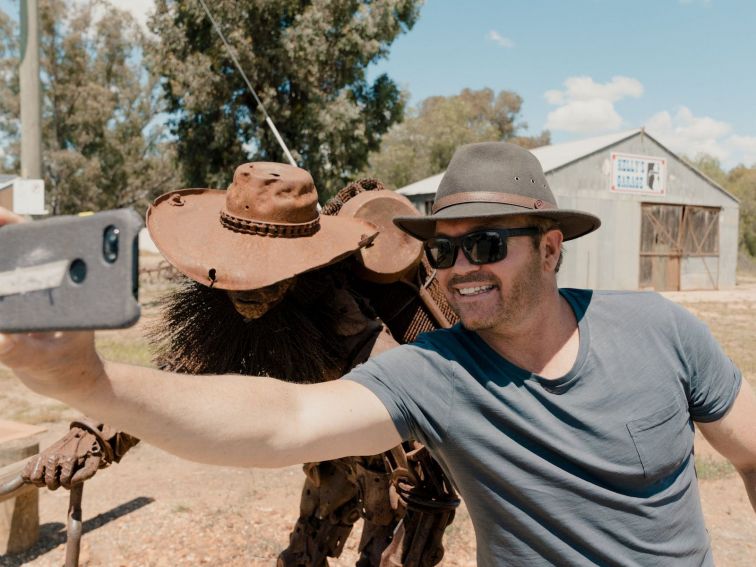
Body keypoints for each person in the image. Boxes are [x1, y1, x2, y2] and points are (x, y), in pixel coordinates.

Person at [1, 142, 754, 566]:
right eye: (447, 249)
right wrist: (91, 401)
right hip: (343, 441)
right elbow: (278, 414)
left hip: (401, 471)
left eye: (488, 245)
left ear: (550, 247)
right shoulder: (444, 372)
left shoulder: (662, 329)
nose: (463, 268)